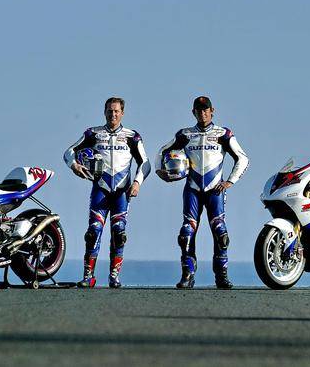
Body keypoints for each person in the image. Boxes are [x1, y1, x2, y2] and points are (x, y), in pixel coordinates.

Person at [156, 96, 249, 289]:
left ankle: (221, 276)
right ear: (193, 112)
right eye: (199, 110)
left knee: (221, 233)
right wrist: (160, 171)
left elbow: (243, 158)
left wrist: (230, 181)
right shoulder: (185, 134)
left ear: (212, 111)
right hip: (192, 190)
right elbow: (162, 151)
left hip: (215, 190)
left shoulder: (223, 134)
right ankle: (187, 275)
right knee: (186, 234)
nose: (202, 113)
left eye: (206, 109)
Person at [64, 97, 151, 288]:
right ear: (104, 112)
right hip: (100, 190)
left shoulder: (132, 136)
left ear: (122, 113)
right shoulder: (93, 133)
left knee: (119, 233)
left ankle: (114, 276)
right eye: (110, 111)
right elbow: (69, 152)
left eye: (116, 111)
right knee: (93, 232)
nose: (113, 114)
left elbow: (145, 163)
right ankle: (88, 276)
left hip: (121, 193)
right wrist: (74, 165)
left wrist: (137, 183)